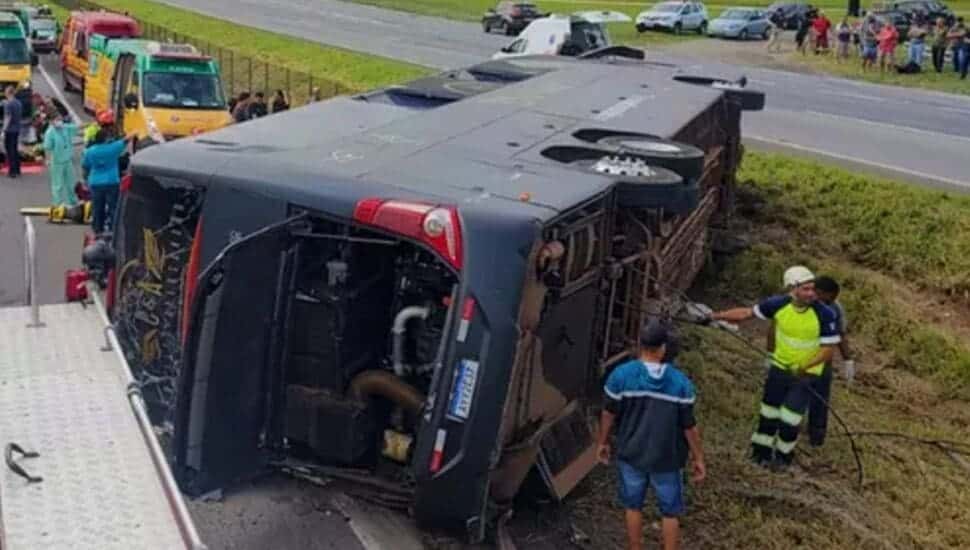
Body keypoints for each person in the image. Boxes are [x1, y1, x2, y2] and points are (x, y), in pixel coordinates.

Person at [706, 266, 840, 468]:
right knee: (768, 413)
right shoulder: (777, 305)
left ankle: (783, 459)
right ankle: (760, 454)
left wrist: (804, 366)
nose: (811, 293)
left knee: (790, 418)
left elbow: (828, 350)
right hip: (779, 369)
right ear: (792, 289)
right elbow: (746, 313)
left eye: (812, 289)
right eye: (805, 289)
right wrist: (714, 316)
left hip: (805, 375)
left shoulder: (825, 314)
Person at [597, 322, 705, 550]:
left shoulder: (621, 376)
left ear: (640, 345)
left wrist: (602, 442)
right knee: (670, 511)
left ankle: (635, 547)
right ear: (663, 348)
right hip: (667, 458)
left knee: (633, 506)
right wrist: (698, 458)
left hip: (631, 453)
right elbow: (689, 426)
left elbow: (608, 414)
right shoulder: (681, 383)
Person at [804, 276, 854, 446]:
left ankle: (816, 435)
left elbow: (840, 334)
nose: (831, 302)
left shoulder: (835, 308)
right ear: (819, 292)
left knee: (820, 397)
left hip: (823, 359)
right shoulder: (802, 302)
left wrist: (848, 360)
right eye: (829, 297)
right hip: (800, 355)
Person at [83, 128, 134, 235]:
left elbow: (86, 166)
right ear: (106, 139)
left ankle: (97, 231)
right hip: (111, 182)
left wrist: (86, 180)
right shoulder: (113, 148)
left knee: (97, 208)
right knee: (113, 208)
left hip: (95, 183)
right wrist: (135, 131)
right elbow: (126, 140)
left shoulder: (90, 151)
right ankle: (113, 230)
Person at [41, 110, 79, 207]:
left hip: (67, 160)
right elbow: (47, 147)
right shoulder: (50, 133)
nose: (60, 121)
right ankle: (57, 204)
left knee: (71, 183)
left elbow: (77, 128)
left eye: (60, 119)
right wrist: (48, 160)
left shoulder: (65, 128)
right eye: (57, 120)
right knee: (58, 185)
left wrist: (93, 124)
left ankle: (73, 201)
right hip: (57, 161)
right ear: (51, 121)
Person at [2, 85, 22, 178]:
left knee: (10, 150)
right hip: (17, 128)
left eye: (6, 92)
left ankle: (12, 171)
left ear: (8, 93)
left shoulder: (8, 104)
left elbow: (8, 117)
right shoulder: (18, 103)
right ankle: (18, 169)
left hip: (10, 130)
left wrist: (3, 130)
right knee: (15, 149)